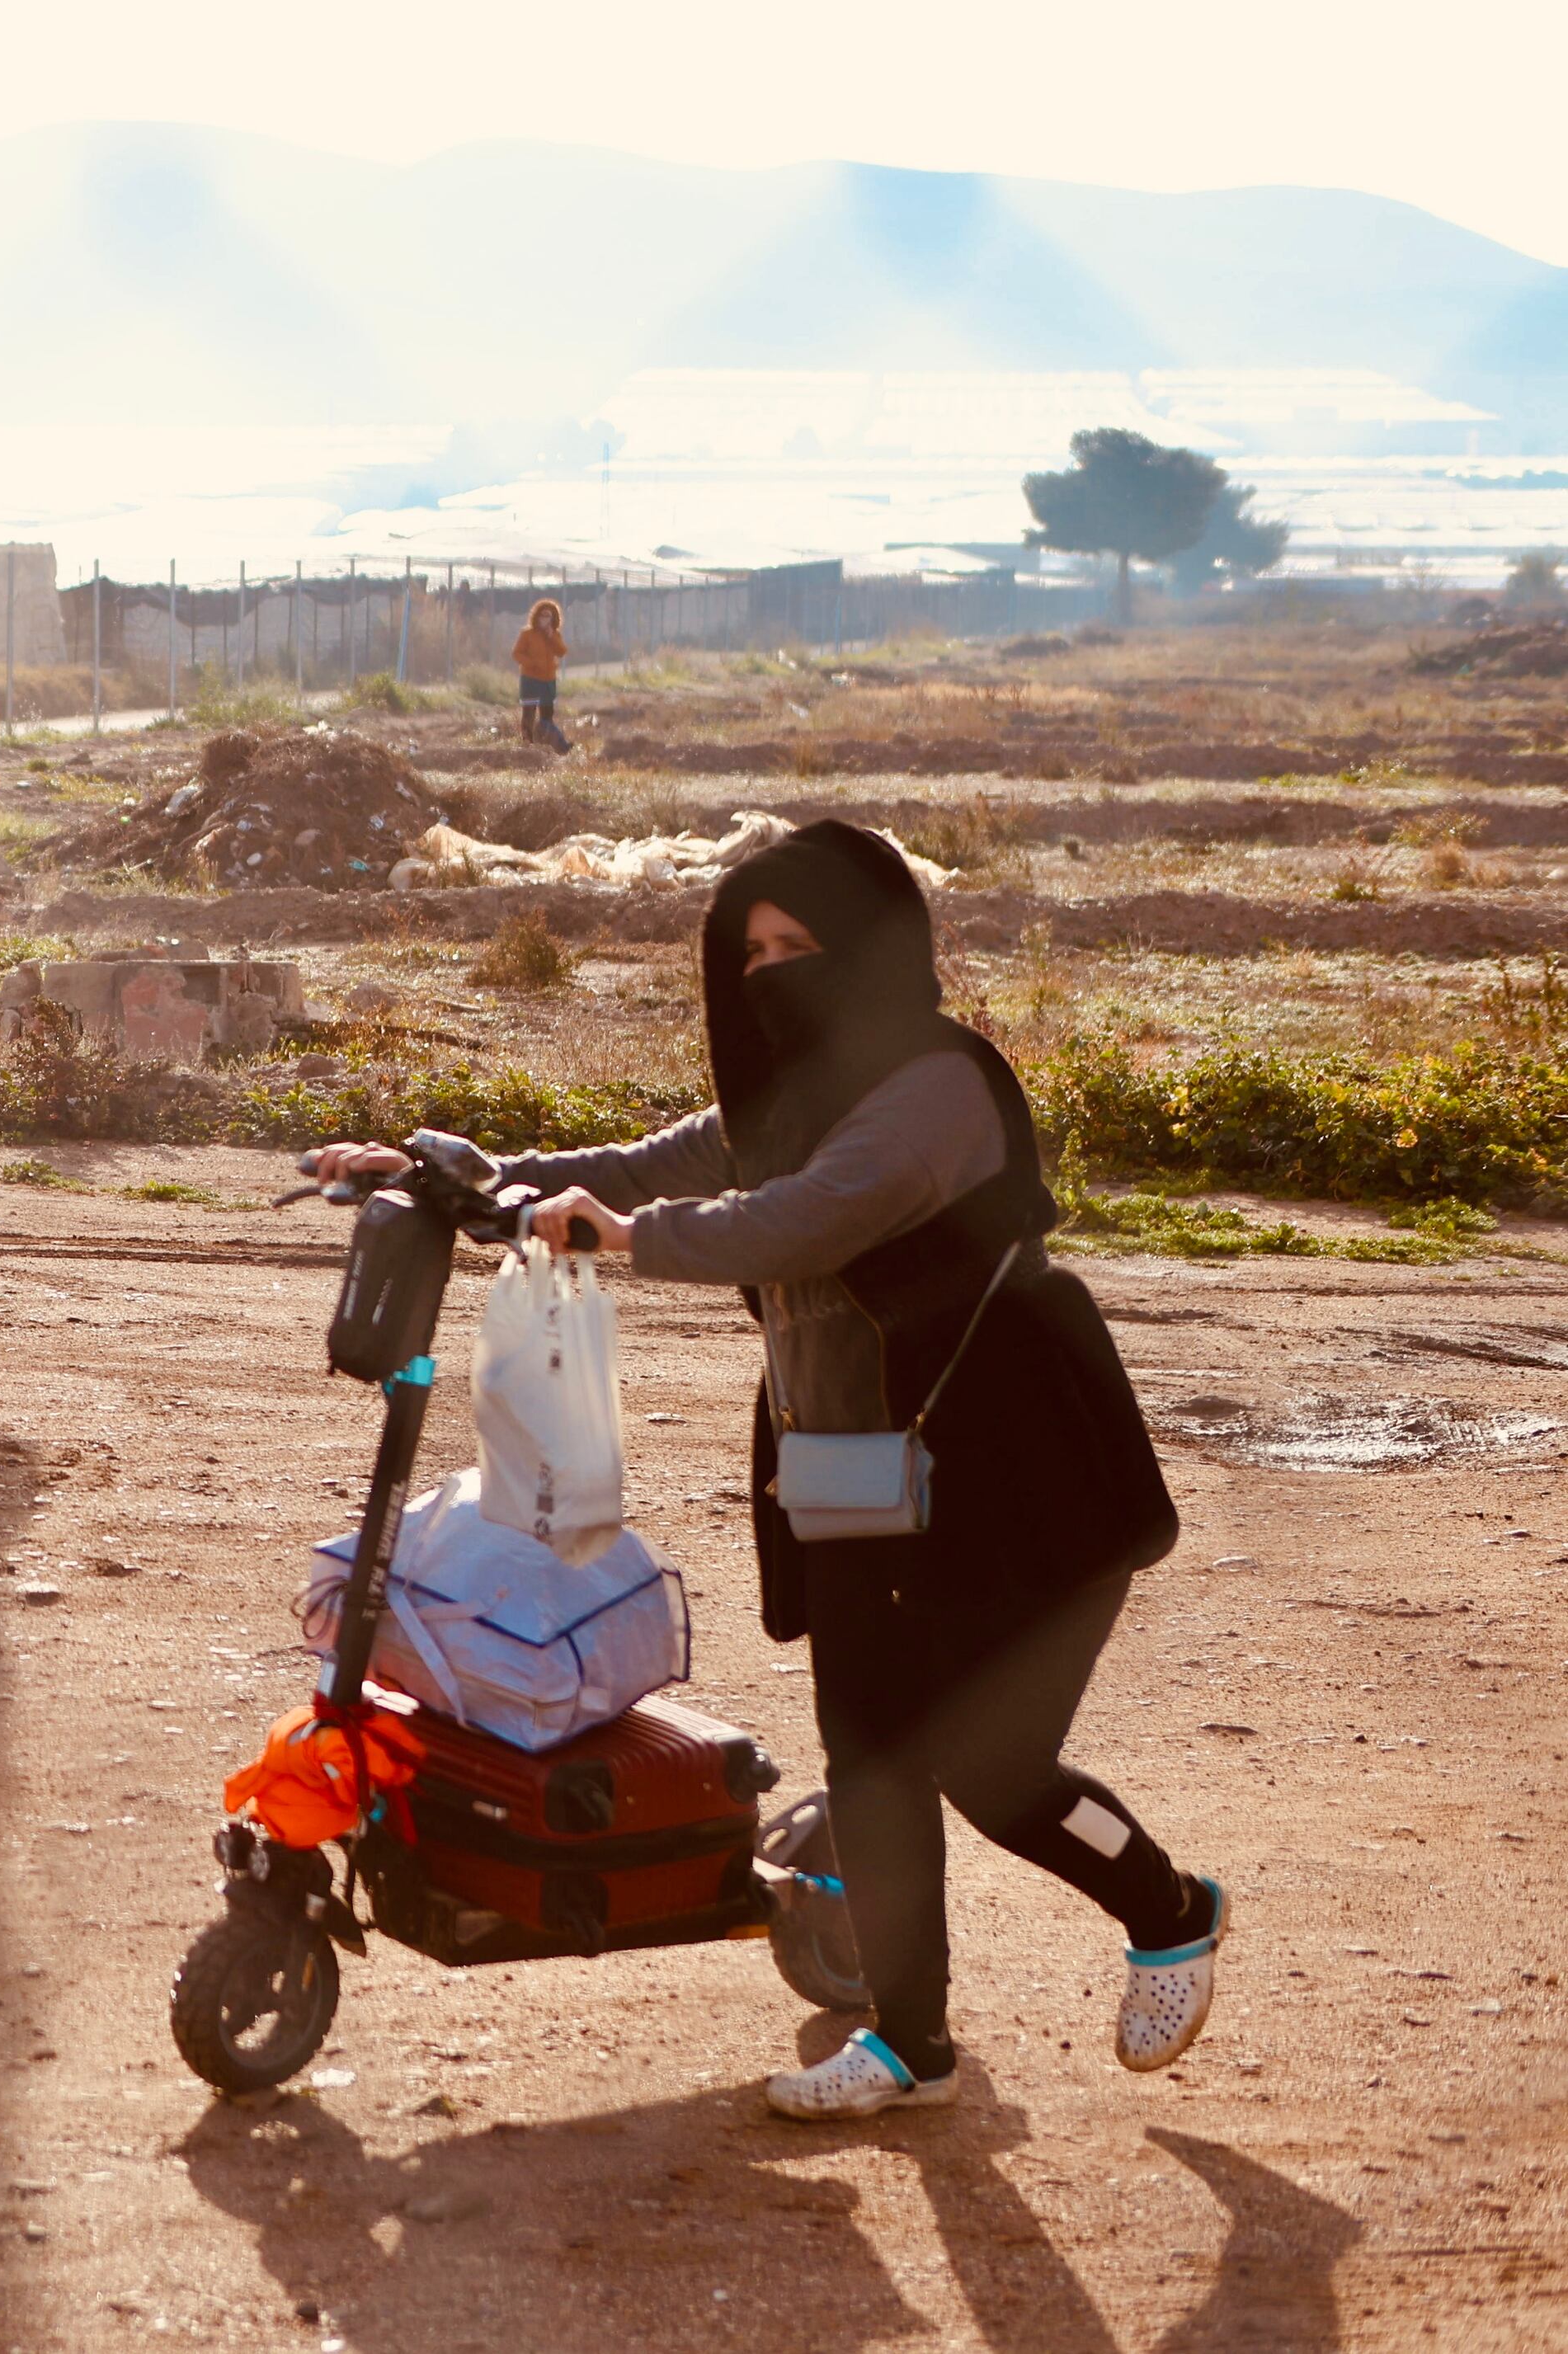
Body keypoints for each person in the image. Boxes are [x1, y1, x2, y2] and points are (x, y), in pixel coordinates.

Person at [306, 819, 1219, 2120]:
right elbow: (633, 1169)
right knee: (870, 1753)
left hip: (1021, 1471)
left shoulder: (937, 1088)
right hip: (852, 1464)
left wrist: (626, 1239)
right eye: (752, 953)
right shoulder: (777, 1105)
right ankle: (908, 2044)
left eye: (802, 947)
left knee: (987, 1763)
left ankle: (1172, 1914)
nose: (774, 974)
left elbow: (805, 1215)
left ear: (875, 947)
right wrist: (453, 1175)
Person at [512, 598, 572, 752]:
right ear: (536, 616)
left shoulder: (555, 635)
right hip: (530, 679)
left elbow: (562, 652)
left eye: (548, 616)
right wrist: (532, 663)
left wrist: (551, 636)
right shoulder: (527, 634)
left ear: (553, 618)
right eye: (542, 615)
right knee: (528, 714)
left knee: (547, 714)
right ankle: (527, 745)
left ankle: (547, 745)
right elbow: (517, 654)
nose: (545, 619)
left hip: (548, 680)